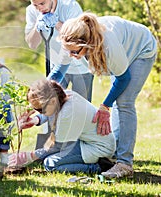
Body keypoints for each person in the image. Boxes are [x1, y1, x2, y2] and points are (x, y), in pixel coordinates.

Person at [50, 12, 157, 178]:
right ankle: (112, 155)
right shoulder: (70, 41)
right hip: (122, 50)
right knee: (118, 101)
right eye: (69, 52)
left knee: (124, 102)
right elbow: (58, 72)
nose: (71, 56)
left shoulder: (108, 45)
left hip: (141, 50)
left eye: (75, 52)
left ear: (87, 43)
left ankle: (124, 163)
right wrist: (40, 93)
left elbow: (123, 78)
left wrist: (105, 106)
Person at [8, 79, 116, 174]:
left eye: (40, 109)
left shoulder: (67, 113)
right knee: (45, 154)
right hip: (88, 140)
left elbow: (57, 146)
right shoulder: (65, 96)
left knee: (50, 164)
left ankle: (99, 167)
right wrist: (35, 120)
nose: (39, 112)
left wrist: (28, 156)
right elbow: (50, 113)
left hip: (98, 148)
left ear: (53, 101)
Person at [25, 0, 93, 101]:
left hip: (80, 66)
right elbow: (32, 44)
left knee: (83, 108)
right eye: (35, 5)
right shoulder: (31, 11)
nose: (39, 8)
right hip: (57, 65)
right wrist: (37, 26)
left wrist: (56, 22)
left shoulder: (70, 6)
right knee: (55, 105)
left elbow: (76, 37)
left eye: (42, 3)